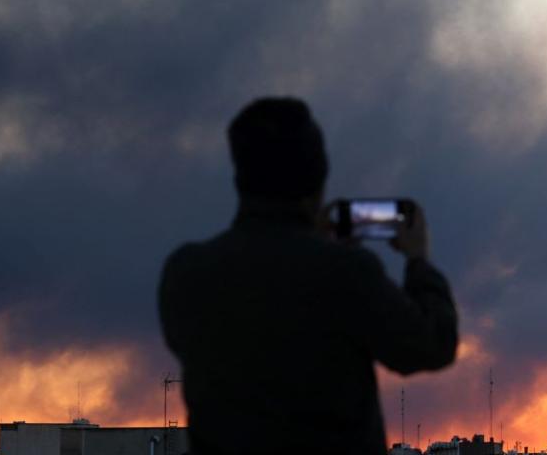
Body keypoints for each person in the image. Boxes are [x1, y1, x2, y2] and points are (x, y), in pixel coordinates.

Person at [158, 97, 458, 454]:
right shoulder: (347, 273)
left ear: (241, 177)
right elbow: (431, 344)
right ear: (318, 180)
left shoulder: (186, 273)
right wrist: (418, 260)